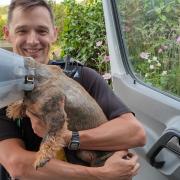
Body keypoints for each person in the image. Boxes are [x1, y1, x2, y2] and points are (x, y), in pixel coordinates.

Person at [0, 0, 146, 179]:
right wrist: (100, 174)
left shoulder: (82, 76)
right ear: (7, 34)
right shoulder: (4, 94)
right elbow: (17, 164)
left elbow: (135, 133)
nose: (32, 40)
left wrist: (70, 137)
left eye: (42, 31)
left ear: (54, 33)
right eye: (22, 30)